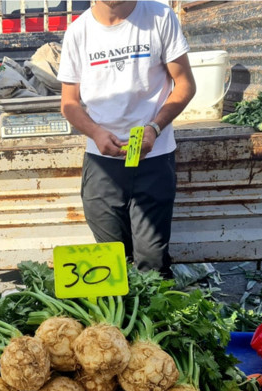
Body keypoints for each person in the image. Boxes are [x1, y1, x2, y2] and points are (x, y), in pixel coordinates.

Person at [58, 1, 196, 277]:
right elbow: (69, 103)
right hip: (102, 162)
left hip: (153, 157)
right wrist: (96, 132)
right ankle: (114, 320)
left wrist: (155, 128)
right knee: (109, 260)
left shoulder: (159, 17)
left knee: (152, 261)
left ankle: (151, 317)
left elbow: (185, 85)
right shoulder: (78, 31)